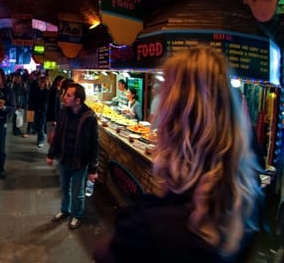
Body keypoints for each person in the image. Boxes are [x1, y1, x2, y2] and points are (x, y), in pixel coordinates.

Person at [93, 46, 262, 263]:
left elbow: (103, 253)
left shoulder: (149, 228)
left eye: (162, 94)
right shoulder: (247, 204)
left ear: (172, 122)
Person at [47, 82, 99, 230]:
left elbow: (94, 144)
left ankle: (77, 215)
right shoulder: (64, 111)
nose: (64, 97)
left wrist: (93, 168)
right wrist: (51, 154)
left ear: (78, 100)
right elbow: (58, 134)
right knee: (65, 188)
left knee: (78, 192)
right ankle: (65, 210)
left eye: (68, 95)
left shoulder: (90, 117)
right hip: (64, 158)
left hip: (79, 162)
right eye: (65, 94)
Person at [46, 75, 64, 145]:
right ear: (58, 81)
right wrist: (55, 119)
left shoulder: (56, 89)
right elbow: (54, 105)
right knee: (52, 135)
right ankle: (51, 153)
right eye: (62, 81)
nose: (63, 83)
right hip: (53, 117)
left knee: (52, 135)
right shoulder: (54, 90)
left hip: (53, 116)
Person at [34, 76, 50, 148]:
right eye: (39, 82)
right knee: (37, 125)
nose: (39, 83)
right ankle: (40, 138)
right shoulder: (38, 90)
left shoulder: (47, 91)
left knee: (41, 125)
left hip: (43, 110)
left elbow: (46, 102)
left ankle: (41, 140)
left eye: (41, 82)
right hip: (37, 109)